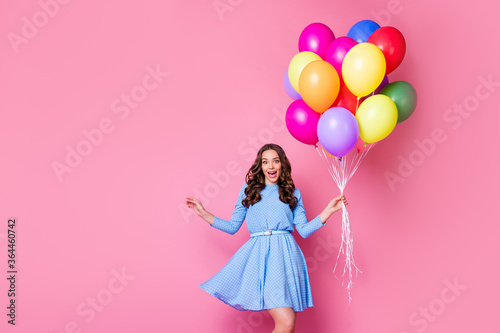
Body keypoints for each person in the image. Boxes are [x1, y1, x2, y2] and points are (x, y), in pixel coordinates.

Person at [186, 143, 347, 333]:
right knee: (285, 323)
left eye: (275, 161)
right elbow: (232, 227)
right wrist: (204, 214)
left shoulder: (292, 193)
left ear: (282, 164)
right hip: (263, 257)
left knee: (290, 325)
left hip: (288, 257)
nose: (271, 166)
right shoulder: (249, 190)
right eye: (265, 162)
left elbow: (303, 230)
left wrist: (328, 211)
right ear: (260, 166)